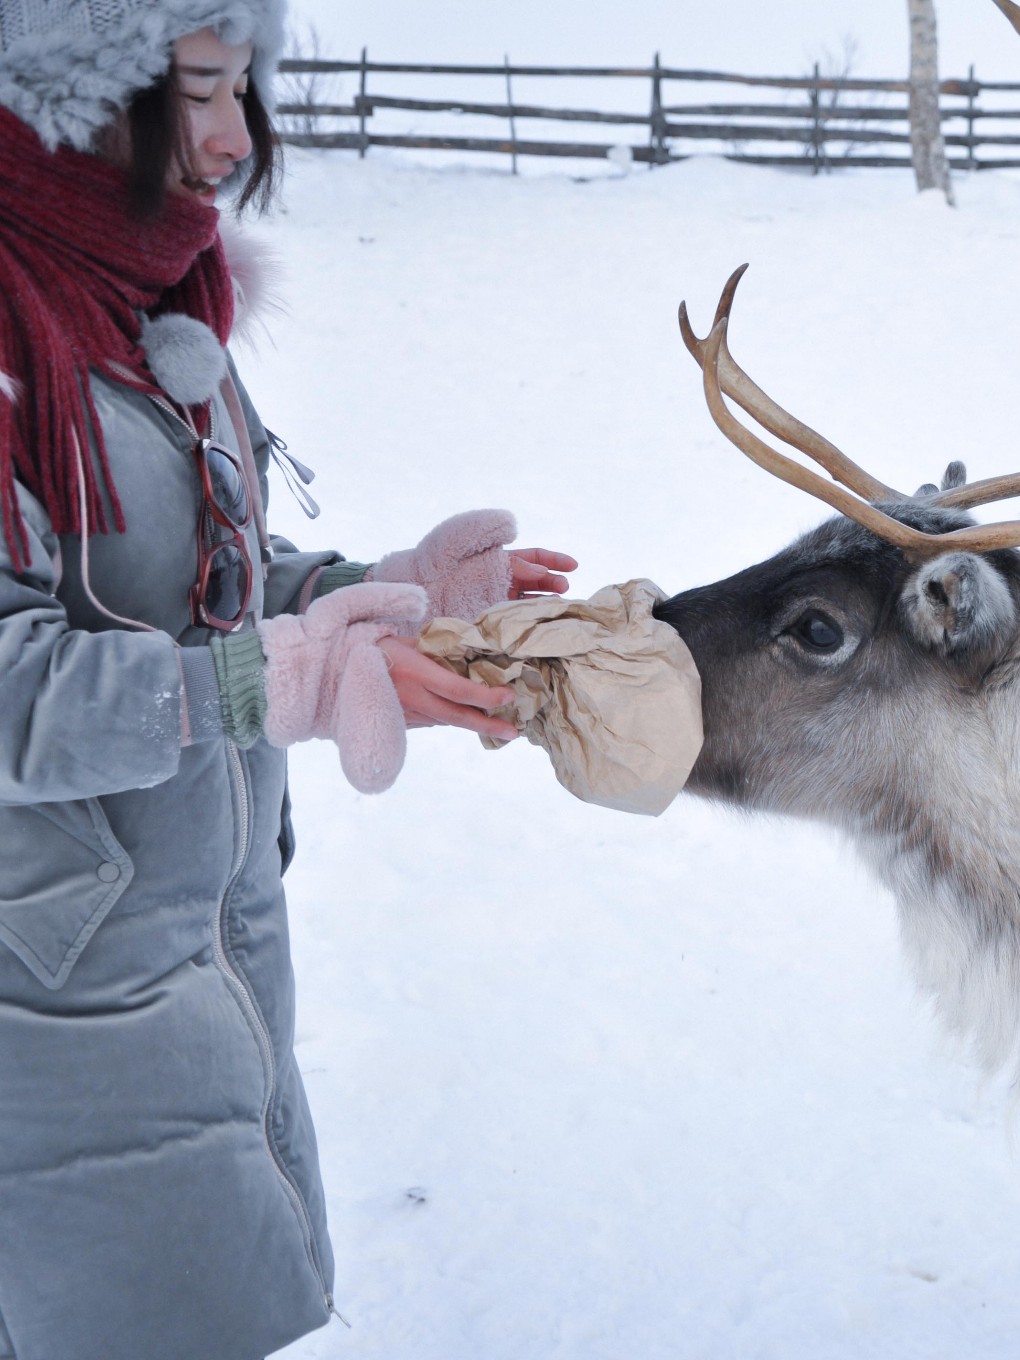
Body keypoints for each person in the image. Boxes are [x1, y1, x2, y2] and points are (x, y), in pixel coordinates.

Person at [0, 3, 577, 1356]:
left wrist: (372, 593)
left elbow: (198, 579)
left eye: (245, 90)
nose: (229, 140)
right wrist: (286, 683)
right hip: (55, 1004)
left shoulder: (143, 299)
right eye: (196, 91)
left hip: (200, 944)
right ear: (65, 92)